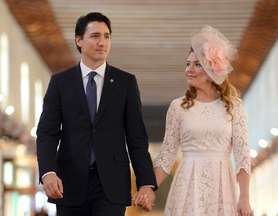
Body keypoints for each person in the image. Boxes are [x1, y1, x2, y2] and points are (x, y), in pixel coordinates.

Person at [36, 12, 156, 216]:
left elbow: (136, 137)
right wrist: (48, 172)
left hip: (111, 184)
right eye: (95, 36)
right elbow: (47, 133)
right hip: (69, 183)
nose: (102, 42)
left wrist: (146, 183)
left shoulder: (125, 83)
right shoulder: (60, 83)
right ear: (79, 40)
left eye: (107, 36)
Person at [135, 26, 252, 215]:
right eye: (187, 64)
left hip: (223, 186)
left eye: (197, 64)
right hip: (187, 184)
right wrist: (147, 188)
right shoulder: (177, 107)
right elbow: (166, 156)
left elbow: (243, 157)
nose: (189, 69)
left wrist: (244, 198)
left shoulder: (234, 107)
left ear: (212, 68)